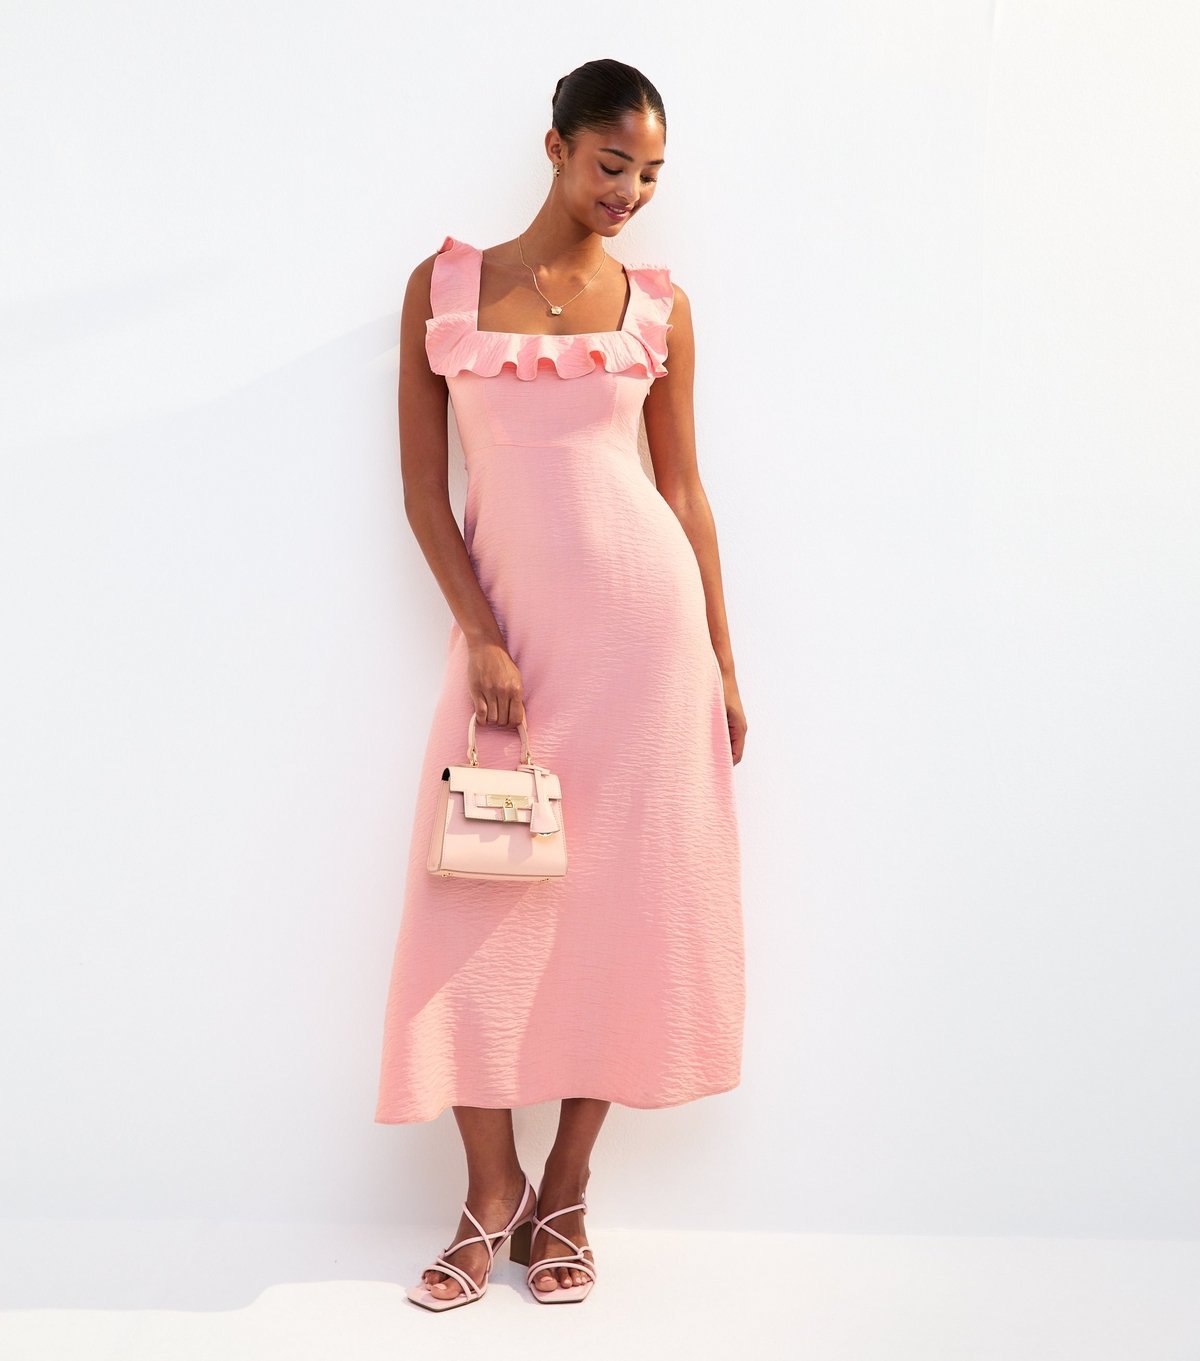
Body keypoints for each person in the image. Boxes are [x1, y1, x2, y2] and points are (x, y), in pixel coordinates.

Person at [375, 57, 748, 1310]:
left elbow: (682, 488)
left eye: (650, 174)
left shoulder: (658, 305)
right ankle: (490, 1189)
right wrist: (480, 636)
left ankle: (567, 1189)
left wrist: (723, 657)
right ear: (554, 148)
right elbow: (424, 492)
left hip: (648, 646)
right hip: (512, 654)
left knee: (621, 909)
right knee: (469, 900)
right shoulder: (446, 287)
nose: (629, 192)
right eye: (611, 164)